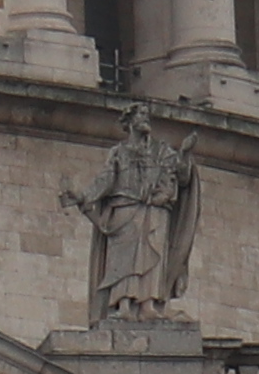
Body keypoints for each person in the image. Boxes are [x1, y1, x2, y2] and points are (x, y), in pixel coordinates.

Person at [69, 101, 197, 319]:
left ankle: (148, 305)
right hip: (125, 208)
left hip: (154, 210)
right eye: (140, 115)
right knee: (124, 258)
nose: (145, 119)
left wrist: (184, 154)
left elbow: (181, 177)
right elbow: (106, 179)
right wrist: (84, 196)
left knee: (152, 252)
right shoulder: (119, 153)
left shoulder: (162, 151)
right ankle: (124, 305)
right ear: (128, 122)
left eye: (147, 115)